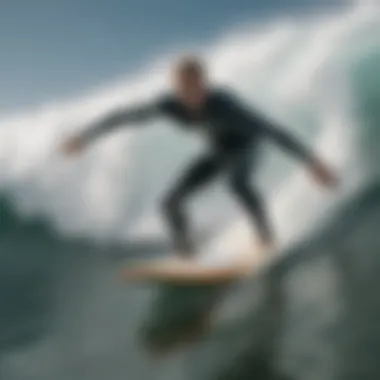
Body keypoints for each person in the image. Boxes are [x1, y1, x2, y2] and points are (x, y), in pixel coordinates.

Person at [62, 55, 338, 262]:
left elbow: (271, 130)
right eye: (183, 89)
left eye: (196, 87)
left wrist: (312, 162)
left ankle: (265, 237)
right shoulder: (167, 105)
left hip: (246, 147)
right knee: (169, 204)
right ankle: (186, 249)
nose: (191, 95)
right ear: (175, 88)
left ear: (204, 84)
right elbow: (123, 117)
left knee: (236, 184)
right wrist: (85, 137)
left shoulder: (225, 104)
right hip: (217, 150)